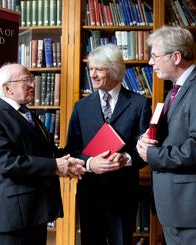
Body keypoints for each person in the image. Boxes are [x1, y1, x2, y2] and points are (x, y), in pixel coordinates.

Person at [136, 26, 196, 245]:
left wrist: (153, 155)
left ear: (176, 57)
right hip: (175, 206)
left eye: (155, 56)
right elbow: (172, 136)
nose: (151, 63)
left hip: (192, 209)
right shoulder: (176, 90)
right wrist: (145, 140)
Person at [0, 63, 86, 245]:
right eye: (26, 80)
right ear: (7, 88)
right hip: (11, 218)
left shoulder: (29, 115)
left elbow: (50, 153)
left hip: (36, 213)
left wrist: (86, 160)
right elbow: (5, 163)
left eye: (32, 80)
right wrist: (55, 166)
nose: (33, 85)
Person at [65, 44, 152, 245]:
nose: (92, 75)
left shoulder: (139, 104)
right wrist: (89, 163)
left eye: (98, 69)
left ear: (113, 70)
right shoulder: (81, 106)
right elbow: (71, 149)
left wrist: (127, 158)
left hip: (124, 195)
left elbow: (148, 149)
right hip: (90, 194)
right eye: (91, 69)